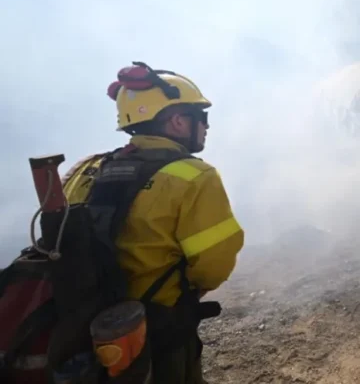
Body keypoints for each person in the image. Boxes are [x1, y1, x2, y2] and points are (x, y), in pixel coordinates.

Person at [61, 62, 244, 384]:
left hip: (72, 323)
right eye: (201, 117)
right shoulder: (195, 176)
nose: (206, 127)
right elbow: (213, 265)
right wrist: (188, 292)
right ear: (177, 120)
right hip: (157, 327)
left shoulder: (85, 168)